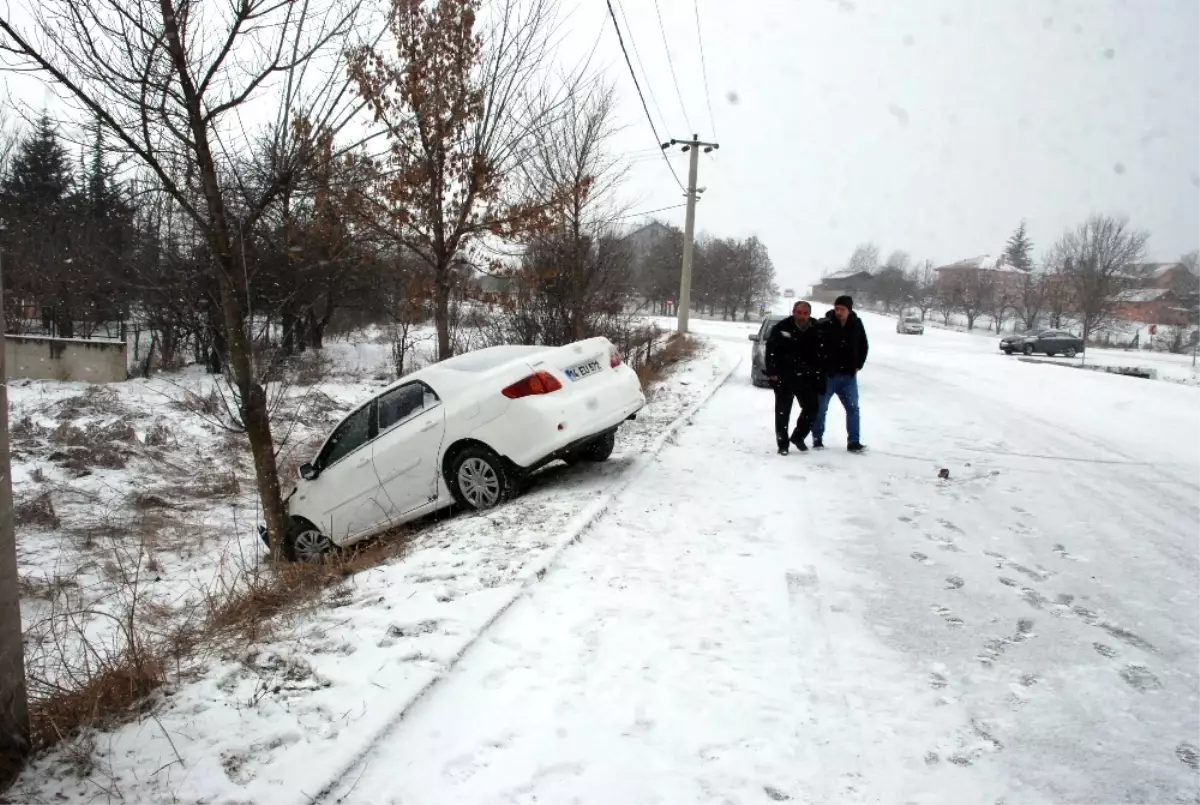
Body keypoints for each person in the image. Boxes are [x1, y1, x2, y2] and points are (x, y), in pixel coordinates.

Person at [764, 300, 826, 455]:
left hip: (807, 378)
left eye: (805, 313)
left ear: (809, 315)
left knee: (812, 408)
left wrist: (819, 375)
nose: (802, 316)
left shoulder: (816, 329)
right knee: (783, 412)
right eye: (799, 312)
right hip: (785, 377)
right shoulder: (781, 328)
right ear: (793, 312)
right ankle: (782, 445)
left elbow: (822, 354)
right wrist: (772, 373)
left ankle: (798, 436)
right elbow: (771, 350)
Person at [813, 295, 868, 452]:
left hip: (848, 377)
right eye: (837, 308)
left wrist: (858, 365)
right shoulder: (826, 324)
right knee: (821, 408)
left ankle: (854, 442)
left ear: (849, 310)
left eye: (842, 309)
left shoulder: (856, 324)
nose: (838, 312)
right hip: (828, 375)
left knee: (853, 409)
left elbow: (864, 345)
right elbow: (816, 345)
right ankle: (817, 439)